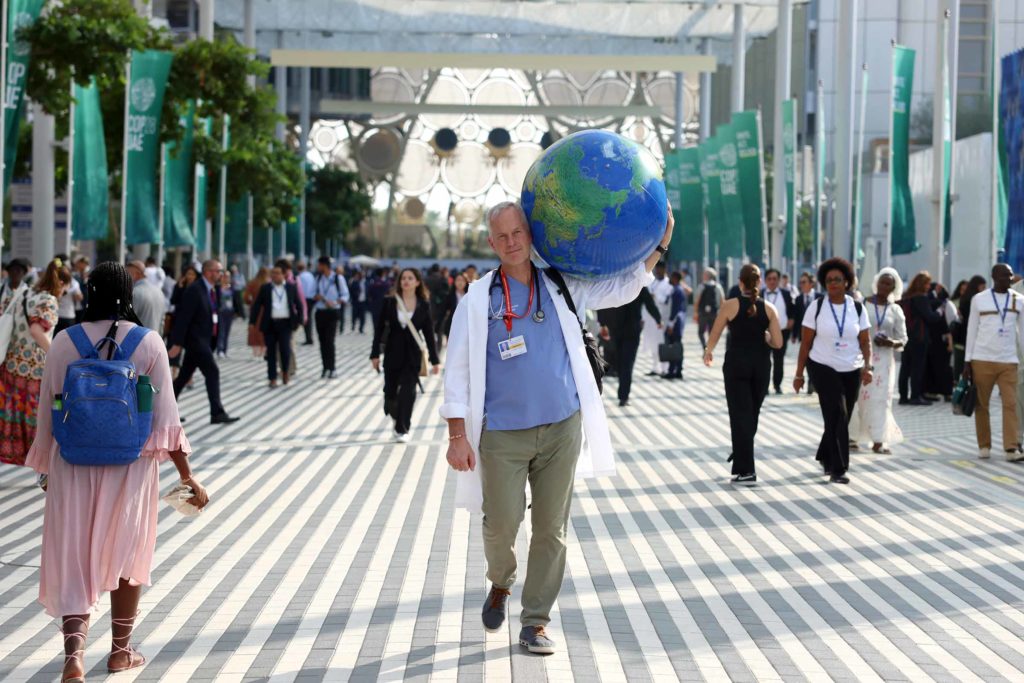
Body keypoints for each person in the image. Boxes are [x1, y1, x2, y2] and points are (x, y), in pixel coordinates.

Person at [441, 200, 672, 654]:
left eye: (517, 233)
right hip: (502, 434)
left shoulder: (561, 283)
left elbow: (624, 287)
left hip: (562, 428)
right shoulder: (477, 299)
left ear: (531, 234)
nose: (511, 243)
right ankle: (501, 581)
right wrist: (456, 436)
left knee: (552, 529)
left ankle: (535, 621)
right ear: (491, 243)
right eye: (502, 237)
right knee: (501, 525)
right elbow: (457, 372)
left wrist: (661, 242)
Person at [26, 261, 209, 682]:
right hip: (131, 467)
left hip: (73, 465)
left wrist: (47, 464)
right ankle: (120, 652)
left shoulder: (63, 342)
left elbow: (49, 410)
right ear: (128, 293)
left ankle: (74, 657)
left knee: (73, 555)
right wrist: (186, 475)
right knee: (127, 552)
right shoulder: (148, 343)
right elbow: (167, 419)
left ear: (90, 292)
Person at [793, 257, 873, 484]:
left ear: (847, 282)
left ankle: (824, 454)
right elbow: (806, 344)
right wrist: (799, 374)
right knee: (837, 413)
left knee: (842, 416)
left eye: (838, 279)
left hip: (851, 367)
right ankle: (838, 469)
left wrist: (868, 366)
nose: (833, 284)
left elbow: (865, 340)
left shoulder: (857, 308)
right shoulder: (816, 307)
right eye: (829, 280)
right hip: (822, 365)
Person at [703, 264, 784, 484]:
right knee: (750, 416)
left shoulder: (730, 305)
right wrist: (765, 336)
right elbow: (777, 342)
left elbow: (716, 331)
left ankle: (746, 468)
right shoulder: (769, 309)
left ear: (740, 282)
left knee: (740, 416)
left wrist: (708, 351)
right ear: (759, 283)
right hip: (761, 367)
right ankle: (742, 456)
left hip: (737, 366)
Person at [0, 259, 69, 466]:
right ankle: (38, 460)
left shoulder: (26, 293)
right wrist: (54, 352)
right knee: (37, 413)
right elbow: (36, 330)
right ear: (62, 284)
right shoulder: (49, 300)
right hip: (34, 366)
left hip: (12, 361)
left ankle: (14, 452)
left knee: (13, 410)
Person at [370, 268, 440, 442]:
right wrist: (374, 354)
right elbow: (378, 330)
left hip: (412, 355)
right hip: (392, 353)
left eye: (410, 278)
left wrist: (435, 360)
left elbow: (429, 333)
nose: (406, 281)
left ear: (417, 282)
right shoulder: (390, 302)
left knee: (408, 392)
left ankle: (403, 428)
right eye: (403, 278)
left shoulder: (423, 304)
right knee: (390, 393)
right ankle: (395, 415)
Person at [964, 263, 1024, 460]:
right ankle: (984, 445)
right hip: (982, 359)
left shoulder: (1019, 300)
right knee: (982, 405)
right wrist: (967, 362)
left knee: (1010, 404)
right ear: (994, 277)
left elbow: (1022, 333)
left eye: (1010, 275)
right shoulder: (979, 299)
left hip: (1009, 361)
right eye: (1005, 276)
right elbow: (971, 330)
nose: (1009, 278)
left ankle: (1011, 448)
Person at [168, 260, 240, 425]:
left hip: (205, 340)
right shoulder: (195, 290)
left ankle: (164, 410)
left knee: (183, 377)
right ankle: (217, 412)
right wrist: (177, 343)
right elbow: (183, 318)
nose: (221, 274)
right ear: (208, 272)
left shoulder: (213, 289)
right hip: (195, 341)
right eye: (218, 271)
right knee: (212, 371)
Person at [849, 268, 908, 454]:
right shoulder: (862, 305)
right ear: (876, 283)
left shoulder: (896, 310)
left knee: (881, 400)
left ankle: (878, 440)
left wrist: (891, 342)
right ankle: (852, 436)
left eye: (889, 283)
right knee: (859, 398)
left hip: (884, 362)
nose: (884, 286)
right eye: (882, 282)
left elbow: (903, 339)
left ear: (894, 287)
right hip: (861, 358)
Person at [597, 286, 661, 406]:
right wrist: (658, 319)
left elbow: (602, 302)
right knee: (626, 362)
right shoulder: (639, 285)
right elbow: (650, 304)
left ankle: (623, 395)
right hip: (629, 331)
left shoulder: (615, 283)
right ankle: (623, 396)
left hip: (617, 330)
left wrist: (603, 323)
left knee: (623, 362)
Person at [249, 265, 302, 387]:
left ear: (284, 275)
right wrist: (252, 322)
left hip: (285, 323)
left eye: (277, 273)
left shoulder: (291, 287)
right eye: (272, 273)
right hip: (270, 323)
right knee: (271, 352)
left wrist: (299, 321)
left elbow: (298, 304)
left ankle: (285, 372)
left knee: (285, 349)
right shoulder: (266, 288)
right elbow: (257, 305)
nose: (274, 276)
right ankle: (272, 377)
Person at [898, 271, 944, 405]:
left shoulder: (907, 297)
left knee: (905, 367)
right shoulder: (921, 298)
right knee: (917, 367)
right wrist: (939, 312)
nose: (929, 286)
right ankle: (915, 396)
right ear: (922, 284)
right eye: (927, 283)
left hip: (906, 335)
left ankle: (903, 396)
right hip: (919, 337)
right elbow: (930, 316)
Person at [313, 257, 350, 379]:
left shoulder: (338, 278)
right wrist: (318, 297)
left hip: (333, 312)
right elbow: (313, 293)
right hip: (320, 312)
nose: (318, 267)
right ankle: (325, 368)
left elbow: (345, 295)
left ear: (324, 265)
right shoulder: (318, 278)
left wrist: (335, 302)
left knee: (330, 341)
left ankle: (332, 368)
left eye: (319, 265)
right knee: (322, 341)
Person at [762, 268, 795, 394]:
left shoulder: (786, 294)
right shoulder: (759, 294)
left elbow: (792, 309)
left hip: (781, 331)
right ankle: (764, 387)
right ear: (765, 280)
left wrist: (791, 320)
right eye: (769, 279)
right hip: (764, 333)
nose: (772, 281)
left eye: (775, 279)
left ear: (779, 280)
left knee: (779, 359)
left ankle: (777, 385)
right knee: (764, 360)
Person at [953, 276, 986, 380]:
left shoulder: (964, 298)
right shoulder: (975, 299)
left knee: (961, 364)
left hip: (962, 336)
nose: (984, 290)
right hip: (971, 334)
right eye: (982, 287)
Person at [643, 262, 673, 375]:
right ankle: (655, 367)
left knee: (662, 343)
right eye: (657, 269)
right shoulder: (652, 282)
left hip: (662, 318)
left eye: (660, 269)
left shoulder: (669, 285)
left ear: (664, 270)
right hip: (651, 320)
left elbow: (667, 301)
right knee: (652, 343)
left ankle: (665, 368)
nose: (658, 271)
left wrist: (656, 297)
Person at [126, 260, 167, 333]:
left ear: (137, 274)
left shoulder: (134, 293)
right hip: (155, 340)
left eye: (127, 274)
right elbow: (162, 323)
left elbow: (127, 323)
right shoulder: (159, 292)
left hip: (137, 341)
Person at [662, 271, 687, 380]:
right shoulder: (678, 290)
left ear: (675, 279)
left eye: (671, 278)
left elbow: (675, 309)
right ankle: (677, 369)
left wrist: (671, 324)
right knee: (676, 345)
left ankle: (674, 370)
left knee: (674, 345)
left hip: (675, 322)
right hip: (678, 321)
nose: (670, 280)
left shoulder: (677, 291)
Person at [693, 267, 724, 350]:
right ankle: (709, 348)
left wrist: (695, 313)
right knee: (711, 332)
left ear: (707, 276)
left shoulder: (701, 286)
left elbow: (697, 301)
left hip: (702, 313)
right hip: (714, 313)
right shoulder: (718, 287)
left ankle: (704, 346)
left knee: (701, 332)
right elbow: (722, 301)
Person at [244, 267, 270, 359]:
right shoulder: (268, 283)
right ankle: (264, 350)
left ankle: (256, 352)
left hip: (255, 309)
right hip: (266, 309)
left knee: (254, 329)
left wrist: (251, 303)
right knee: (265, 329)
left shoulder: (252, 282)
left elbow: (246, 297)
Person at [54, 258, 82, 335]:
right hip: (56, 316)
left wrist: (72, 292)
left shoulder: (73, 282)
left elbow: (79, 297)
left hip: (68, 315)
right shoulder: (54, 281)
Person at [441, 272, 469, 343]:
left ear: (466, 282)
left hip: (467, 325)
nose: (460, 282)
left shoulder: (470, 295)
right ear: (454, 282)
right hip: (453, 325)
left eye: (462, 280)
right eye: (458, 280)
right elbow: (443, 311)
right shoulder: (449, 295)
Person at [215, 271, 237, 358]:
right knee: (221, 331)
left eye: (228, 276)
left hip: (229, 312)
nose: (226, 278)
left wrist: (237, 312)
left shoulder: (232, 288)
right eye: (224, 276)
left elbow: (236, 301)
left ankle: (225, 349)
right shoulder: (218, 288)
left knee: (227, 332)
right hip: (220, 312)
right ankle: (220, 349)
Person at [367, 268, 392, 337]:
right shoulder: (386, 284)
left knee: (375, 325)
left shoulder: (372, 283)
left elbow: (369, 295)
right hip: (385, 306)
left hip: (375, 306)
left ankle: (376, 336)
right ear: (383, 273)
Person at [295, 262, 316, 345]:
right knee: (309, 317)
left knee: (305, 317)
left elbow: (299, 290)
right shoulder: (310, 275)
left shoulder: (299, 277)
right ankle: (309, 337)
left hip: (304, 299)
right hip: (311, 298)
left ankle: (308, 338)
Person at [72, 257, 90, 322]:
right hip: (75, 304)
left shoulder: (89, 274)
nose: (77, 265)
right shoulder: (75, 274)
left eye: (78, 263)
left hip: (85, 304)